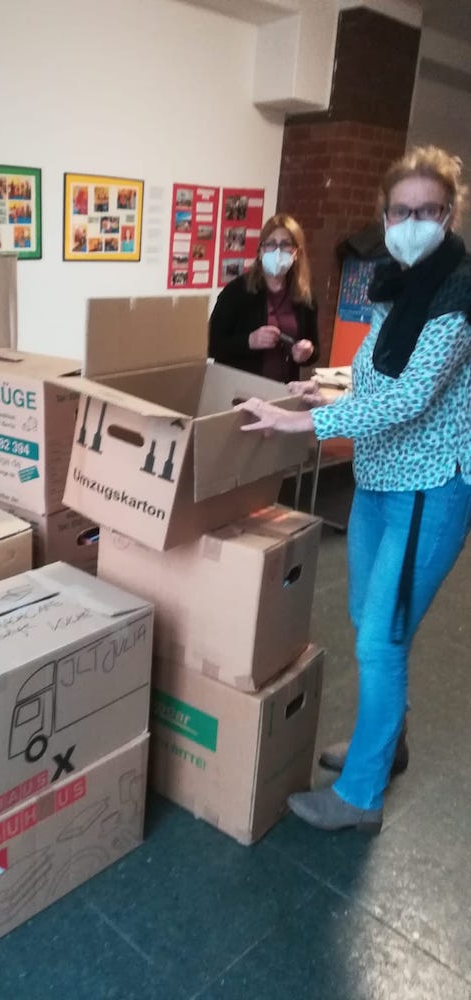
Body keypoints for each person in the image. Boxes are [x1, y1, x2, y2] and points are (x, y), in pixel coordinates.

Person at [236, 146, 471, 833]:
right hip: (377, 480)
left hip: (428, 488)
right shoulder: (396, 288)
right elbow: (375, 380)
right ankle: (386, 743)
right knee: (370, 622)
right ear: (385, 216)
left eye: (428, 211)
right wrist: (329, 392)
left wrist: (303, 422)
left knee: (380, 639)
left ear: (450, 215)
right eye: (401, 211)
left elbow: (411, 397)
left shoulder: (457, 296)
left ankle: (360, 797)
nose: (412, 223)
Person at [208, 213, 319, 382]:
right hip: (240, 388)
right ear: (260, 251)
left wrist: (307, 353)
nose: (277, 251)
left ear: (296, 252)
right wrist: (249, 341)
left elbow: (314, 349)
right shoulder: (236, 291)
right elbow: (211, 345)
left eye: (285, 244)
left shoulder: (304, 297)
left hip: (284, 388)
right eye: (270, 244)